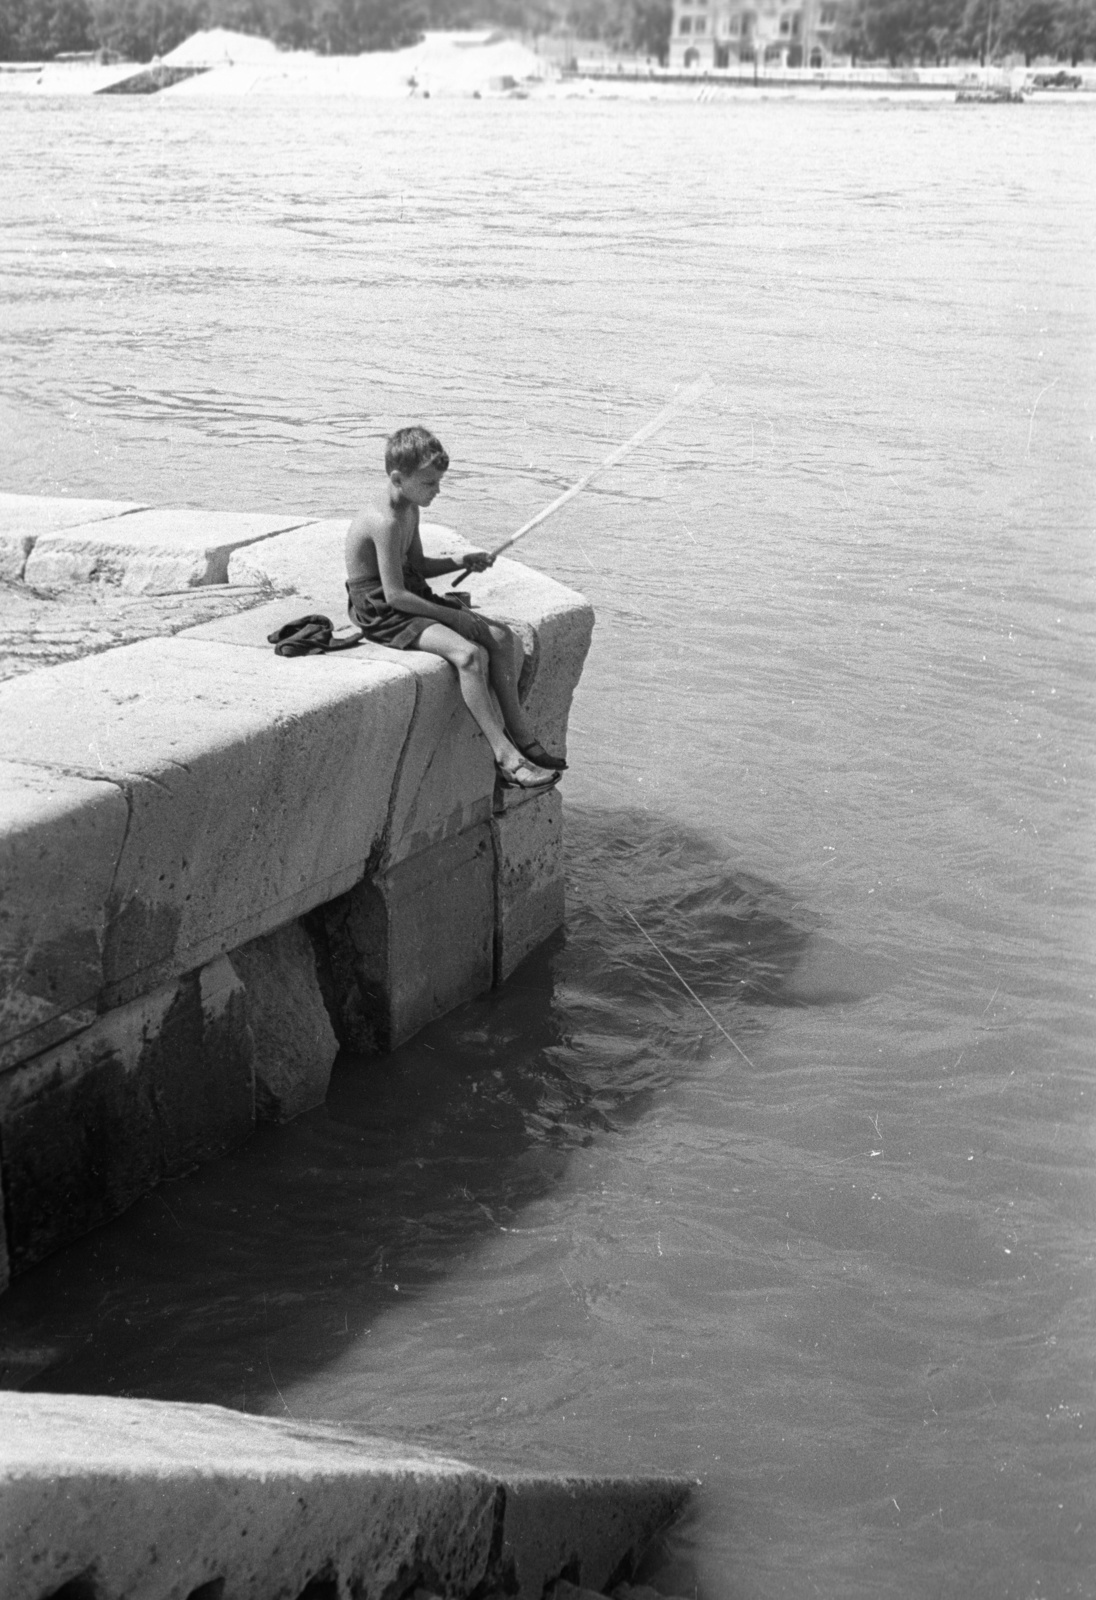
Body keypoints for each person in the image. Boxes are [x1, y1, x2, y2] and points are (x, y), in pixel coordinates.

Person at [345, 425, 565, 790]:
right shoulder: (385, 521)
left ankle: (523, 736)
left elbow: (418, 565)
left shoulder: (409, 507)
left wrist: (463, 560)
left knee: (500, 636)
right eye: (429, 483)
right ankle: (506, 758)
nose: (437, 490)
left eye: (438, 482)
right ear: (398, 479)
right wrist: (452, 615)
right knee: (468, 655)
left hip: (406, 593)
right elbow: (394, 596)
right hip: (382, 610)